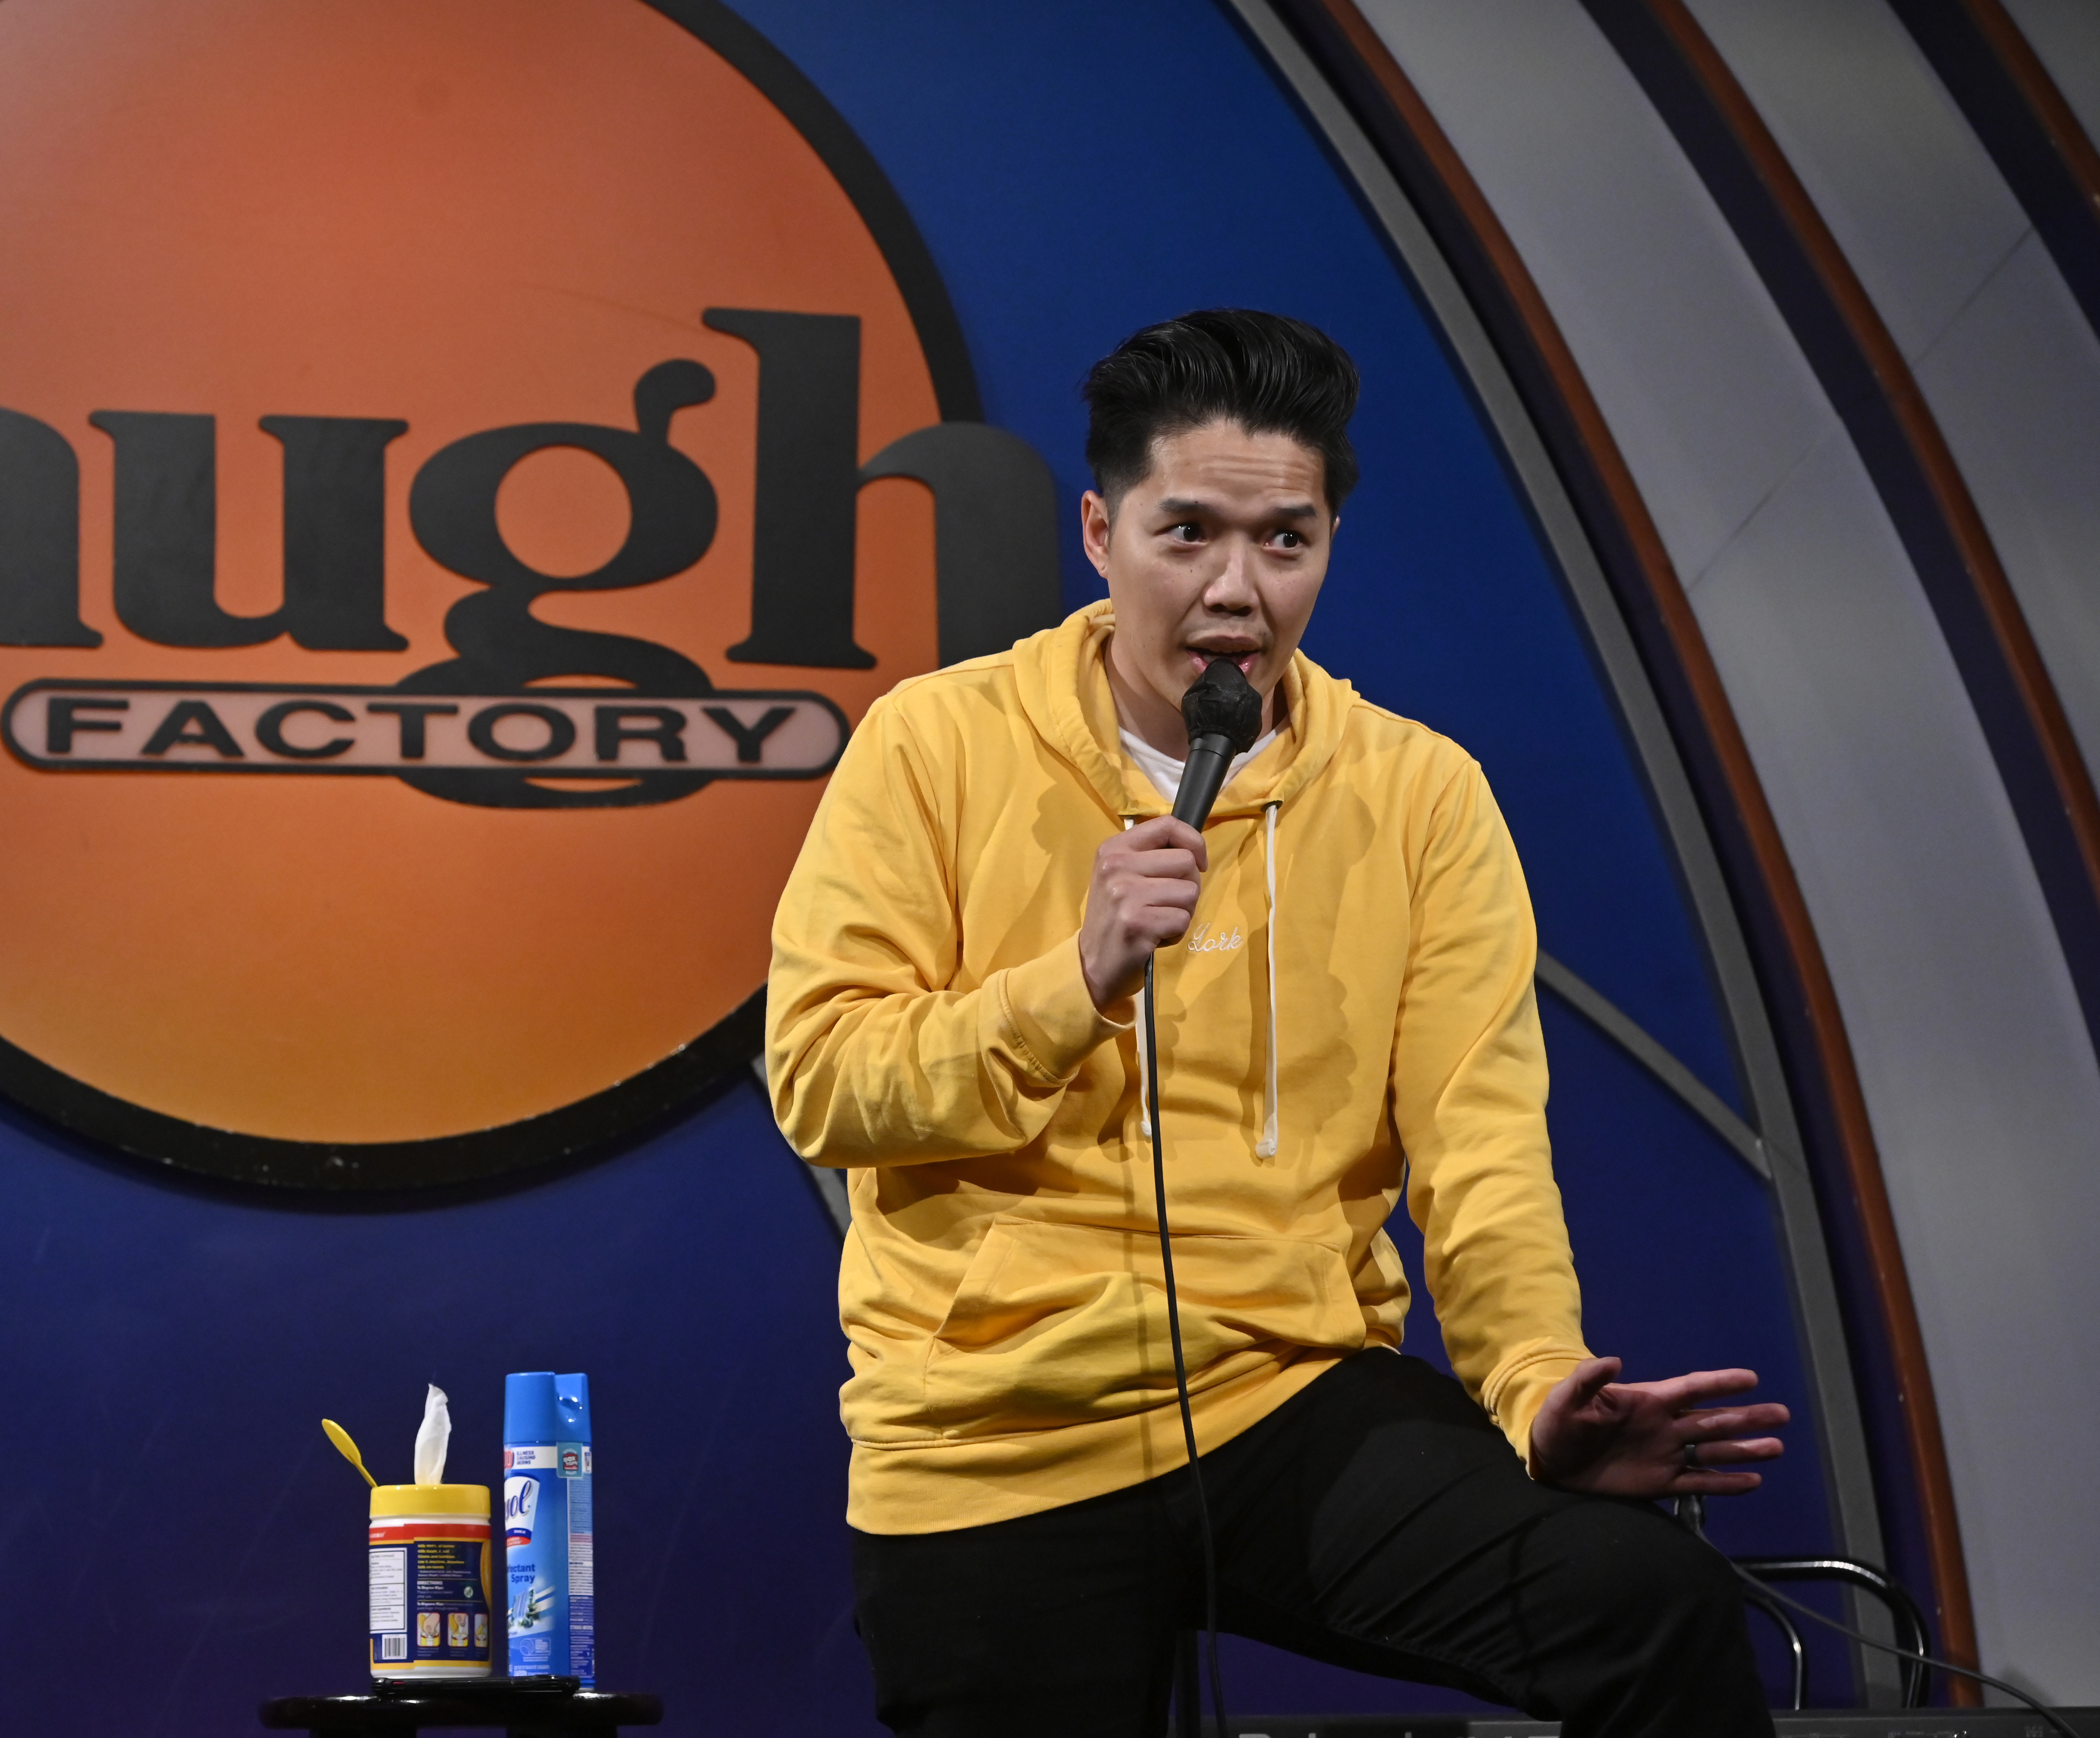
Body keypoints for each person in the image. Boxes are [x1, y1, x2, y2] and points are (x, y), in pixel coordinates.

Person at [763, 310, 1788, 1737]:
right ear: (1098, 534)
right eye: (1187, 534)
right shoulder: (932, 746)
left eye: (1285, 541)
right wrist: (1076, 976)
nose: (1237, 590)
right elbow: (821, 1082)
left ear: (1325, 548)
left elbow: (1479, 1147)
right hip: (992, 1434)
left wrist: (1536, 1386)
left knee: (1647, 1605)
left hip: (1287, 1398)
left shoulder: (1420, 795)